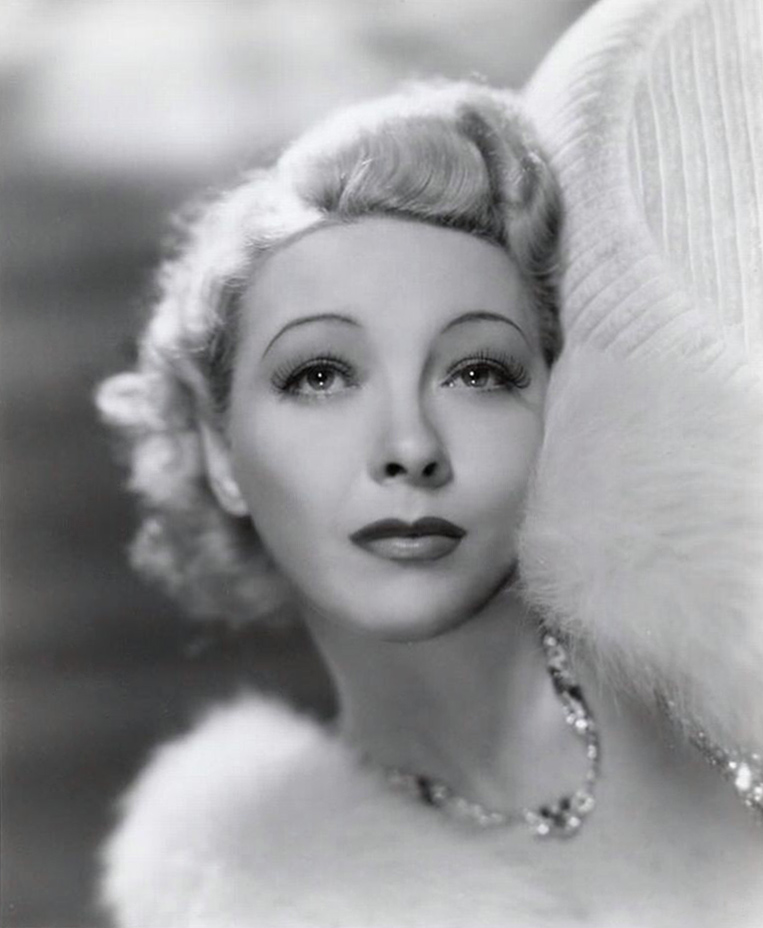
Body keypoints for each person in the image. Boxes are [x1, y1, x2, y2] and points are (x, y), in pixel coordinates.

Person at [96, 1, 763, 922]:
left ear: (560, 407)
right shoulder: (265, 900)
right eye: (320, 376)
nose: (410, 447)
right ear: (220, 452)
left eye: (478, 372)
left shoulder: (722, 688)